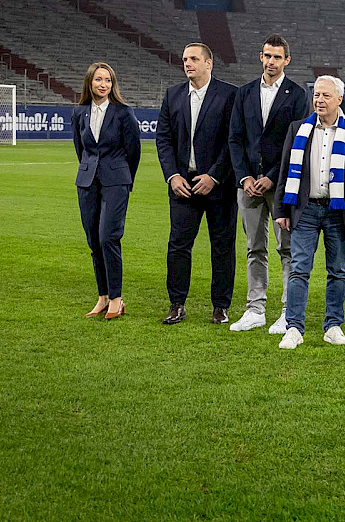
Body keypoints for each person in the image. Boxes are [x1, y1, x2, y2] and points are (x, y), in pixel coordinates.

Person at [273, 76, 345, 350]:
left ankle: (333, 325)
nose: (319, 100)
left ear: (339, 99)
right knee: (299, 269)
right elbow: (284, 171)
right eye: (316, 95)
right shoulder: (297, 129)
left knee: (337, 270)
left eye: (326, 96)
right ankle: (294, 328)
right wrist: (280, 208)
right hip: (305, 210)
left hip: (339, 211)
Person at [227, 33, 310, 335]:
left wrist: (272, 176)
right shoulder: (245, 93)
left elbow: (298, 143)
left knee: (286, 248)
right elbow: (234, 139)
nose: (271, 61)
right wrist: (245, 177)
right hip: (247, 185)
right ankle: (255, 309)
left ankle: (289, 312)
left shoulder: (297, 95)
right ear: (260, 57)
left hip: (280, 184)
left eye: (277, 56)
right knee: (254, 248)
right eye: (266, 55)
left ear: (287, 60)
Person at [155, 43, 238, 325]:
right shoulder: (173, 95)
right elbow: (163, 140)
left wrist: (214, 176)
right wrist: (172, 175)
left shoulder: (229, 95)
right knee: (178, 245)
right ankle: (176, 304)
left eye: (193, 59)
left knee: (222, 247)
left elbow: (233, 141)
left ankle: (221, 306)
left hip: (219, 185)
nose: (187, 63)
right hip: (183, 184)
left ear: (209, 63)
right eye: (184, 59)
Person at [72, 62, 141, 321]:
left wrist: (124, 178)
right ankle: (102, 297)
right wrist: (89, 170)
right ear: (89, 82)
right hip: (87, 182)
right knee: (93, 241)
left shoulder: (124, 112)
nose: (104, 84)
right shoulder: (79, 113)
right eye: (99, 79)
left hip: (116, 181)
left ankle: (116, 298)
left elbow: (133, 151)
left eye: (108, 80)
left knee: (108, 238)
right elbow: (80, 149)